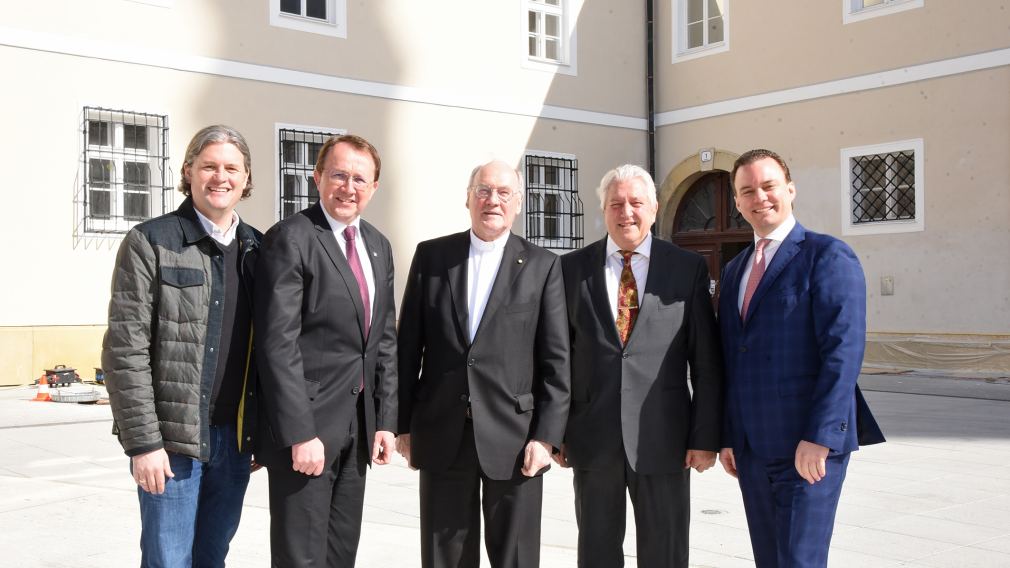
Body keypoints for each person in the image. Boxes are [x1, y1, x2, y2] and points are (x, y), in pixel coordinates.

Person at [396, 160, 571, 568]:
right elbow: (408, 349)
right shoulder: (432, 256)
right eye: (484, 190)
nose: (493, 200)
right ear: (468, 198)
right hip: (442, 434)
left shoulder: (544, 266)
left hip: (516, 439)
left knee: (516, 558)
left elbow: (557, 362)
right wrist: (403, 424)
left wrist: (546, 438)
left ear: (518, 204)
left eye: (503, 193)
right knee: (446, 559)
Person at [102, 124, 262, 567]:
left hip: (233, 446)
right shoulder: (151, 241)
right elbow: (123, 351)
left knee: (212, 557)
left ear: (247, 178)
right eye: (209, 166)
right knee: (168, 560)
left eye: (232, 167)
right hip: (170, 446)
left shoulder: (258, 251)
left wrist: (259, 437)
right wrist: (142, 445)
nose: (220, 177)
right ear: (188, 171)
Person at [718, 149, 885, 567]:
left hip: (806, 448)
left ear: (790, 189)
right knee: (770, 560)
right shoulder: (735, 269)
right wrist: (728, 435)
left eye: (769, 186)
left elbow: (842, 353)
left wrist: (822, 437)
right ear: (738, 203)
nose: (760, 197)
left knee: (800, 561)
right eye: (748, 191)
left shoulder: (827, 256)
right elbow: (731, 360)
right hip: (752, 450)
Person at [553, 164, 723, 567]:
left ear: (655, 207)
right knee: (596, 550)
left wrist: (705, 437)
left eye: (635, 202)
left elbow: (706, 362)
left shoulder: (686, 268)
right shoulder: (571, 269)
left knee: (665, 551)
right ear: (603, 210)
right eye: (615, 203)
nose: (625, 211)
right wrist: (555, 431)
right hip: (593, 440)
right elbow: (558, 358)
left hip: (665, 440)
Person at [254, 134, 398, 567]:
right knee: (301, 558)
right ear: (317, 177)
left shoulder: (377, 244)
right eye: (338, 175)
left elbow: (384, 338)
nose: (348, 187)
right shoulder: (291, 238)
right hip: (307, 433)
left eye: (360, 178)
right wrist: (300, 433)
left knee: (340, 555)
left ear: (374, 188)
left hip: (357, 434)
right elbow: (277, 344)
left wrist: (385, 420)